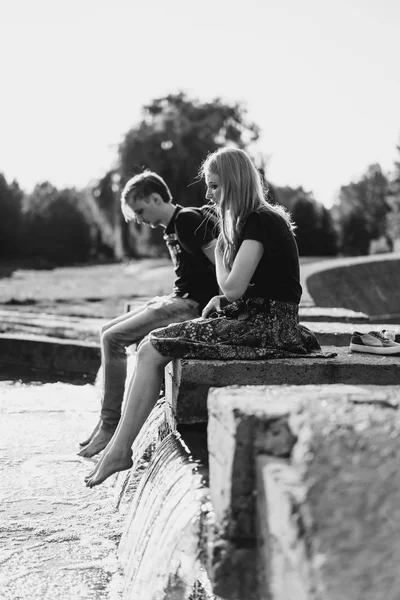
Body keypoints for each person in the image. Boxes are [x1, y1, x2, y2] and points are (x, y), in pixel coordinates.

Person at [85, 147, 333, 487]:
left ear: (233, 184)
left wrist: (218, 255)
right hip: (261, 320)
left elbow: (232, 287)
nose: (208, 194)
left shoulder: (260, 220)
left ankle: (119, 449)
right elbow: (254, 288)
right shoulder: (259, 219)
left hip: (266, 327)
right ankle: (117, 445)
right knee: (151, 346)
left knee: (150, 347)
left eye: (214, 186)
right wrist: (222, 298)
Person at [78, 170, 218, 458]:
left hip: (193, 305)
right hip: (179, 298)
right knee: (107, 331)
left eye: (141, 210)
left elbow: (221, 266)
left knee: (115, 339)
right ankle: (106, 423)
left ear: (156, 198)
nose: (140, 219)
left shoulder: (188, 219)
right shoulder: (172, 228)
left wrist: (220, 307)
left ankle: (110, 426)